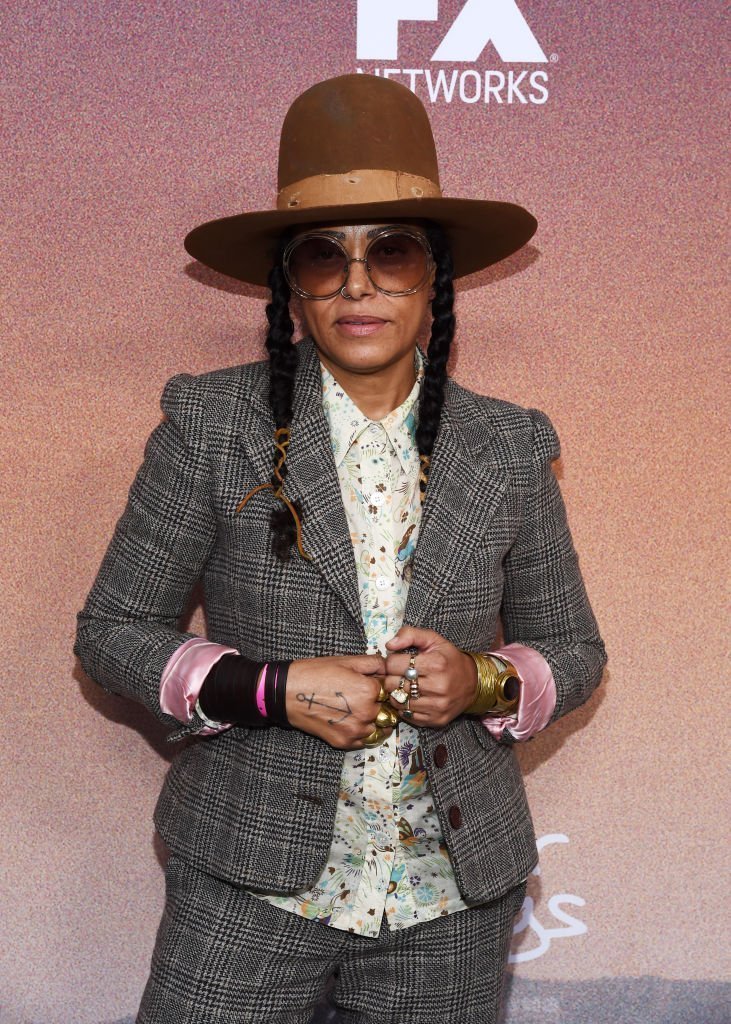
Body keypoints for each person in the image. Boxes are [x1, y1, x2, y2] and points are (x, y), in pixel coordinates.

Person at [75, 74, 606, 1024]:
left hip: (453, 896)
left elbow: (572, 647)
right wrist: (274, 689)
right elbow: (113, 632)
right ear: (290, 286)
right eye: (324, 258)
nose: (358, 285)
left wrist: (482, 682)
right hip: (249, 876)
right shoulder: (209, 423)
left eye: (391, 252)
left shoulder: (510, 443)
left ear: (434, 277)